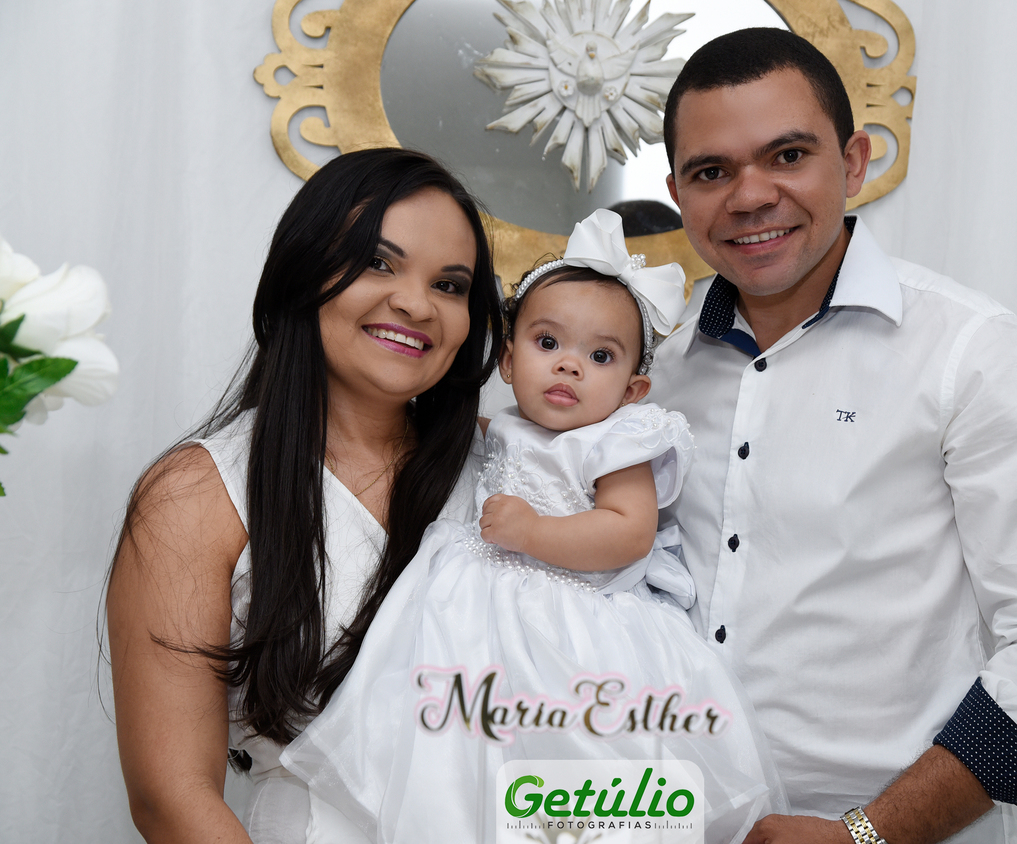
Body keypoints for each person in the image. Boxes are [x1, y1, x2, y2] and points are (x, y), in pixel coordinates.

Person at [650, 28, 1017, 844]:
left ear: (854, 162)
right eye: (712, 171)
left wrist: (867, 834)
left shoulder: (974, 353)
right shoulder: (655, 372)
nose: (750, 196)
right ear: (678, 193)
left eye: (787, 155)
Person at [280, 209, 784, 843]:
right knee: (453, 768)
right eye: (548, 344)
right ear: (508, 362)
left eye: (600, 355)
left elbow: (629, 533)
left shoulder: (616, 443)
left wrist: (533, 533)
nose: (570, 366)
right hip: (475, 624)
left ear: (633, 390)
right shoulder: (500, 430)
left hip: (580, 629)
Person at [106, 147, 504, 843]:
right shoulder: (196, 494)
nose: (416, 304)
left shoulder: (509, 471)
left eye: (449, 285)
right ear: (303, 270)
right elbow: (172, 798)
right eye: (378, 262)